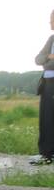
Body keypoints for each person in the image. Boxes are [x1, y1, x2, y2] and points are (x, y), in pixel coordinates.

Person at [33, 9, 54, 165]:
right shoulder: (51, 39)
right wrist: (48, 57)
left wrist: (47, 62)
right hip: (47, 84)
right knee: (46, 119)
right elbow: (38, 59)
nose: (50, 22)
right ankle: (46, 154)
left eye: (52, 19)